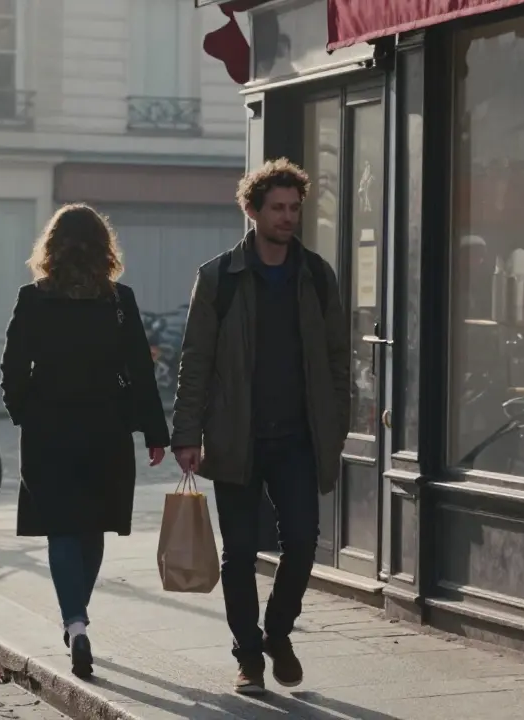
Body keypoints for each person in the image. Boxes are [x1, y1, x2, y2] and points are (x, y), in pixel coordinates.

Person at [170, 158, 350, 695]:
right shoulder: (218, 278)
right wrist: (187, 434)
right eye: (278, 208)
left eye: (295, 208)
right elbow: (195, 360)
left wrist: (335, 424)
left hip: (298, 437)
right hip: (236, 436)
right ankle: (248, 655)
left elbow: (338, 359)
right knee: (240, 552)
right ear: (252, 211)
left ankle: (277, 631)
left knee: (301, 540)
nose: (288, 218)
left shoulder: (317, 276)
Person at [0, 203, 170, 680]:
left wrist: (24, 413)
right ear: (104, 248)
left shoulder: (33, 298)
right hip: (106, 429)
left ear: (50, 249)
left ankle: (75, 623)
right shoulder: (119, 301)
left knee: (61, 527)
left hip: (48, 429)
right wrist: (156, 434)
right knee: (92, 527)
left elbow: (12, 368)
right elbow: (140, 370)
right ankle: (77, 619)